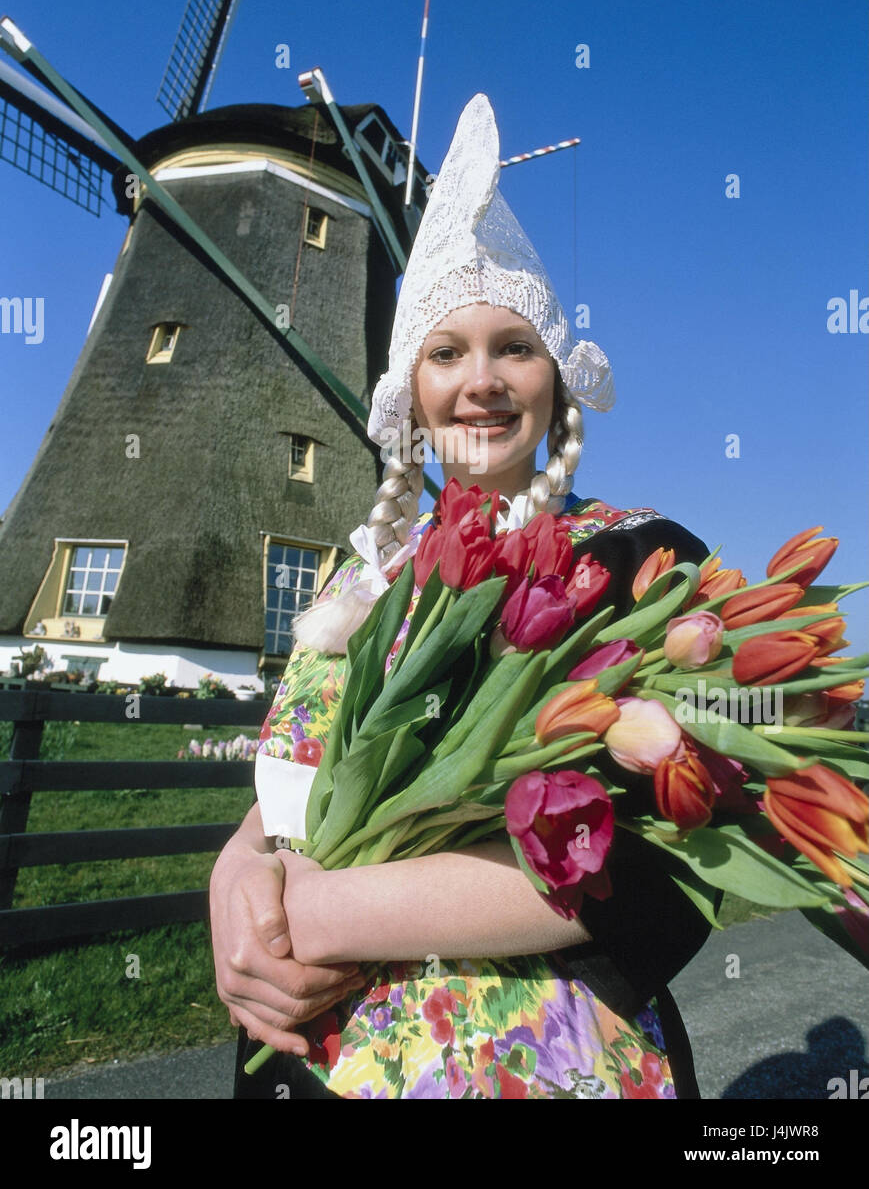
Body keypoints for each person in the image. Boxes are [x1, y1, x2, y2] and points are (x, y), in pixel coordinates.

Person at [210, 94, 714, 1099]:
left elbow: (657, 856)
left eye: (511, 348)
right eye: (446, 352)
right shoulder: (357, 583)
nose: (478, 380)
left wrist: (315, 916)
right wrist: (232, 883)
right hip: (313, 1062)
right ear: (412, 385)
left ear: (556, 382)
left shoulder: (631, 559)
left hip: (529, 1063)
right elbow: (287, 792)